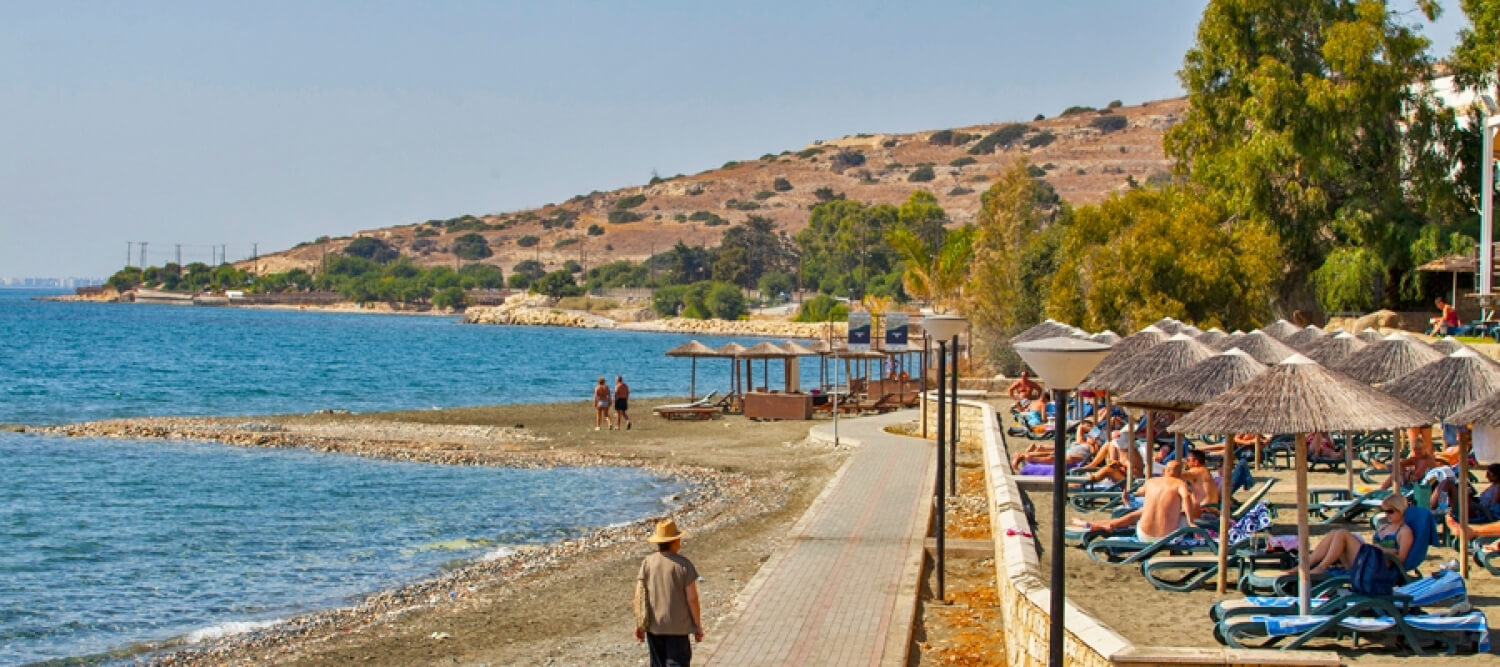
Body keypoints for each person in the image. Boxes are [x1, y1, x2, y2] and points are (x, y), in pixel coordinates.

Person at [635, 519, 704, 667]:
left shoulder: (647, 562)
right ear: (673, 542)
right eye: (678, 539)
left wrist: (640, 623)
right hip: (678, 627)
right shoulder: (683, 565)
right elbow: (692, 598)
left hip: (654, 626)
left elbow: (639, 595)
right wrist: (697, 625)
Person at [1305, 494, 1414, 574]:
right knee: (1335, 533)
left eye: (1390, 511)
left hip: (1379, 568)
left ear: (1401, 510)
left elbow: (1401, 559)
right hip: (1369, 560)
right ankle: (1306, 565)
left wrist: (1383, 550)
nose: (1386, 514)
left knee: (1343, 533)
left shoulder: (1405, 532)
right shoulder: (1384, 527)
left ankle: (1321, 567)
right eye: (1384, 511)